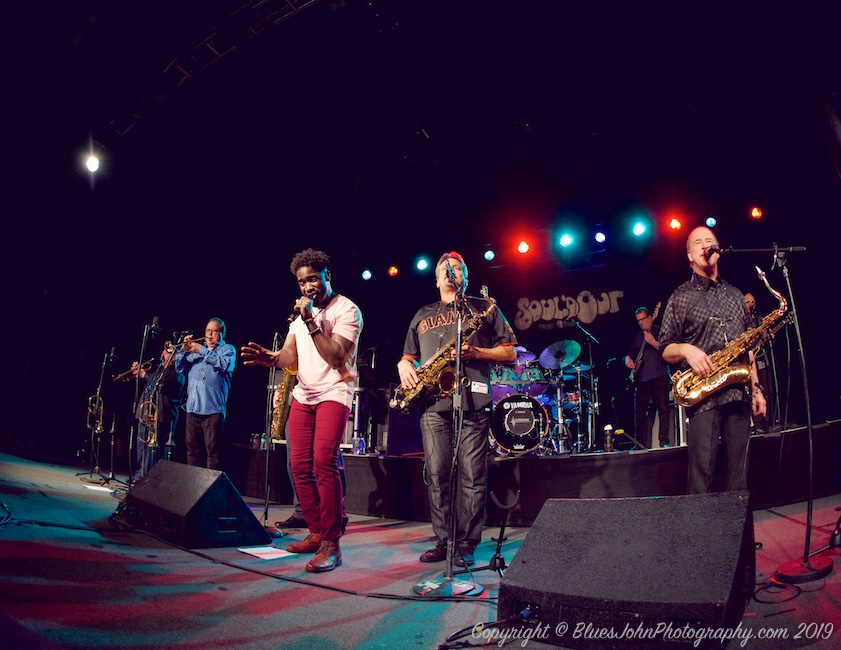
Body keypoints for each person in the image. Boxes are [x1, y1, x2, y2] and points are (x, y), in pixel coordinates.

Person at [241, 248, 363, 573]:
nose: (307, 286)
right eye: (301, 281)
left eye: (313, 279)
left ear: (327, 276)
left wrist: (310, 319)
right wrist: (271, 358)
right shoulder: (298, 320)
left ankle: (332, 544)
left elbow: (336, 356)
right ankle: (316, 531)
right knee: (298, 466)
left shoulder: (347, 310)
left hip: (335, 392)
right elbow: (289, 356)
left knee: (324, 462)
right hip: (305, 394)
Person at [396, 251, 518, 568]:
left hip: (473, 403)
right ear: (436, 279)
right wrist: (402, 365)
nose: (451, 272)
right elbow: (407, 357)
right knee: (437, 475)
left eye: (458, 269)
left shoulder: (483, 308)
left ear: (465, 276)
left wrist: (476, 351)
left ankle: (466, 543)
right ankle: (444, 541)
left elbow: (510, 354)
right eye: (445, 269)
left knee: (472, 477)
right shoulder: (423, 313)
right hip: (433, 404)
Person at [659, 226, 766, 494]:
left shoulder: (735, 294)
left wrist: (756, 389)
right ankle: (700, 536)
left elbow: (748, 346)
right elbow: (665, 348)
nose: (706, 245)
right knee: (701, 477)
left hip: (737, 393)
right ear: (690, 256)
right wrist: (686, 350)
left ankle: (742, 537)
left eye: (711, 241)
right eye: (699, 242)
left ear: (718, 251)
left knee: (739, 478)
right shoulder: (680, 297)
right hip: (703, 395)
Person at [176, 318, 236, 470]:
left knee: (213, 453)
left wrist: (202, 351)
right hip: (193, 408)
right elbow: (180, 369)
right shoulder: (195, 351)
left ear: (222, 333)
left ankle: (211, 489)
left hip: (212, 409)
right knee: (191, 452)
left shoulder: (227, 350)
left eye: (214, 331)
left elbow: (225, 365)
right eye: (207, 331)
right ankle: (193, 488)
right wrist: (183, 350)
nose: (209, 335)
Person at [133, 342, 185, 478]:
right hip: (146, 414)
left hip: (161, 417)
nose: (162, 354)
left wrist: (144, 374)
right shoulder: (158, 370)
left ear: (174, 357)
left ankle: (149, 480)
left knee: (153, 452)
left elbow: (160, 384)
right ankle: (139, 477)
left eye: (166, 352)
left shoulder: (177, 373)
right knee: (141, 447)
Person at [624, 306, 672, 448]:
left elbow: (669, 350)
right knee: (640, 412)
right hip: (642, 379)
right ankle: (640, 442)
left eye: (643, 319)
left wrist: (654, 343)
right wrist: (627, 359)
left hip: (659, 375)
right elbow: (630, 355)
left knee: (663, 408)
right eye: (638, 321)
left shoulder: (660, 331)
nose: (641, 323)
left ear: (651, 317)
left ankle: (664, 441)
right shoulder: (639, 336)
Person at [744, 292, 776, 433]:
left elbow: (763, 338)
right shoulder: (742, 321)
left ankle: (768, 422)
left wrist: (769, 334)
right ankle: (757, 425)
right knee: (753, 392)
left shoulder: (759, 320)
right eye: (747, 301)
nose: (750, 304)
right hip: (749, 362)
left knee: (767, 390)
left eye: (752, 302)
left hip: (762, 360)